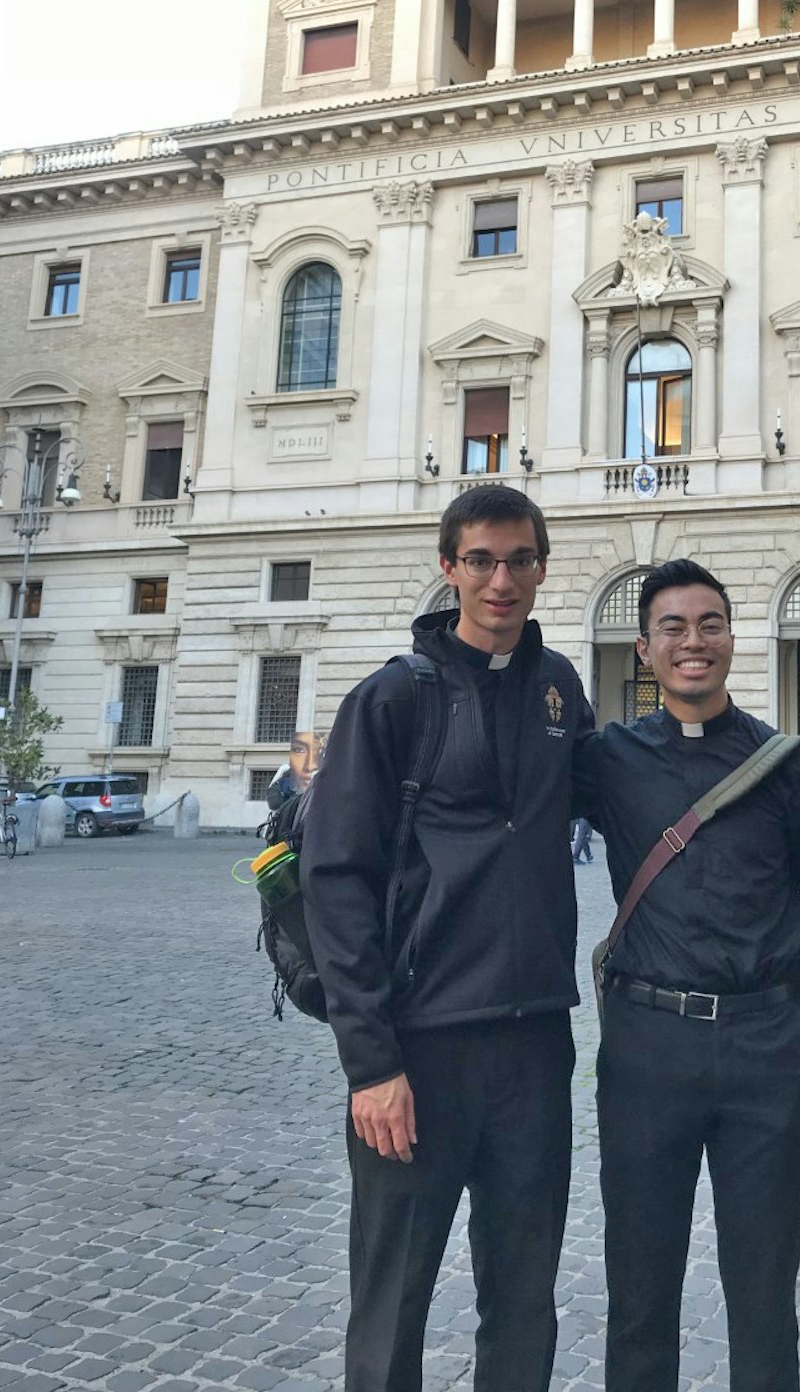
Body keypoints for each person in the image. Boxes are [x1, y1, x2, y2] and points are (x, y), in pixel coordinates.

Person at [301, 485, 595, 1392]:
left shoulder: (558, 690)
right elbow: (335, 881)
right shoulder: (391, 699)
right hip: (418, 1052)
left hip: (536, 1045)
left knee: (524, 1298)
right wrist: (369, 1065)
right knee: (392, 1304)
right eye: (481, 560)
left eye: (518, 560)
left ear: (542, 568)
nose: (501, 580)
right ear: (449, 568)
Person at [578, 559, 800, 1392]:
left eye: (709, 624)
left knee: (763, 1293)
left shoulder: (788, 766)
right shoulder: (609, 761)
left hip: (768, 1048)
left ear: (733, 641)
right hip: (646, 1050)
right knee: (638, 1290)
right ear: (643, 649)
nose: (692, 642)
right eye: (672, 627)